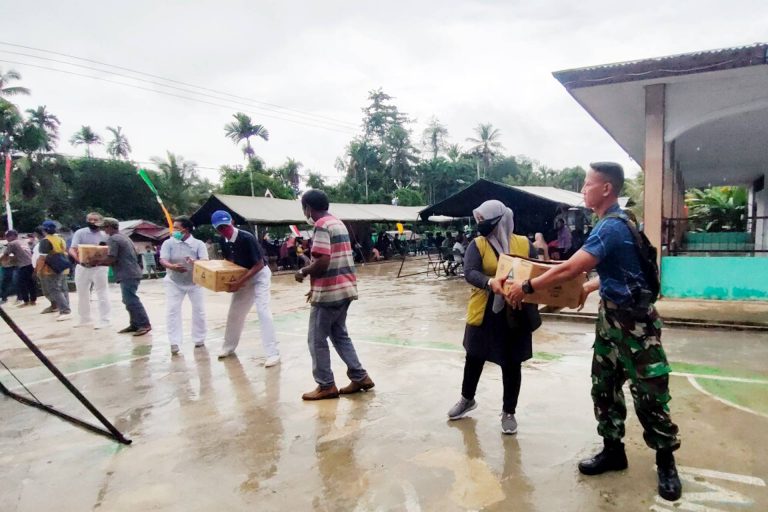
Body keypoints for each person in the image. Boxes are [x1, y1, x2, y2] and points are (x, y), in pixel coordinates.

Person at [506, 162, 681, 502]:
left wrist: (526, 286)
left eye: (588, 184)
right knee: (604, 387)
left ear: (606, 189)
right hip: (610, 319)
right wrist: (588, 288)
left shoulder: (612, 226)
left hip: (636, 325)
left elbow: (572, 267)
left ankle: (666, 462)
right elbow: (619, 270)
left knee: (649, 393)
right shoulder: (618, 222)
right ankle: (613, 451)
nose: (583, 190)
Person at [446, 200, 540, 435]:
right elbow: (470, 272)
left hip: (514, 311)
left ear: (501, 220)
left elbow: (537, 269)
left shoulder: (523, 243)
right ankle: (467, 398)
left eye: (484, 221)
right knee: (474, 356)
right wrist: (490, 282)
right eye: (478, 220)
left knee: (512, 362)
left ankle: (509, 412)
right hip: (485, 311)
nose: (481, 225)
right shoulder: (478, 245)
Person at [294, 189, 374, 400]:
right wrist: (315, 286)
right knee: (339, 334)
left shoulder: (321, 225)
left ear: (308, 208)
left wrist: (303, 271)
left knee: (316, 339)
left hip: (330, 293)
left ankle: (326, 385)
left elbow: (323, 261)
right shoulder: (338, 223)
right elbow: (335, 260)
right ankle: (360, 376)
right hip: (345, 288)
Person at [211, 210, 280, 367]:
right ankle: (228, 347)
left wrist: (239, 282)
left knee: (263, 311)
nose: (224, 230)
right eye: (220, 228)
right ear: (216, 229)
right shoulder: (222, 240)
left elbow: (259, 264)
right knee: (235, 312)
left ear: (232, 222)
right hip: (243, 276)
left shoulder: (246, 237)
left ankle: (272, 353)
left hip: (259, 275)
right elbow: (229, 261)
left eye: (226, 226)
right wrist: (228, 281)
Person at [92, 218, 151, 336]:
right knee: (128, 299)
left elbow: (111, 258)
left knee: (130, 299)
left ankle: (144, 324)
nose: (103, 230)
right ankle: (135, 324)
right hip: (132, 272)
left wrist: (95, 262)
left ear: (110, 227)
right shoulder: (124, 237)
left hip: (127, 273)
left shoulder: (113, 239)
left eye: (104, 227)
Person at [158, 216, 208, 355]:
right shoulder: (169, 243)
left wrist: (194, 262)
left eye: (176, 228)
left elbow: (205, 261)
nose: (173, 230)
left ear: (185, 229)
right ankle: (174, 342)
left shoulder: (198, 244)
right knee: (172, 310)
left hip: (195, 282)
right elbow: (163, 259)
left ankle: (199, 339)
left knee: (199, 310)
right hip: (174, 281)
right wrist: (172, 266)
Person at [69, 212, 111, 329]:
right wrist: (78, 259)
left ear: (101, 221)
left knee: (102, 292)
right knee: (82, 293)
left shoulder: (105, 234)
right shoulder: (80, 233)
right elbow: (72, 249)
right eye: (90, 219)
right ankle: (84, 319)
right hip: (82, 267)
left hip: (100, 267)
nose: (92, 222)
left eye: (95, 220)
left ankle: (105, 319)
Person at [35, 220, 72, 320]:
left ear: (44, 230)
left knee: (54, 289)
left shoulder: (45, 241)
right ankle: (66, 308)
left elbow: (42, 258)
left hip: (51, 269)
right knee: (63, 289)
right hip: (63, 266)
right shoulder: (60, 238)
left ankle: (65, 310)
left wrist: (38, 270)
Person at [2, 230, 35, 307]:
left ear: (13, 236)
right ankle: (33, 301)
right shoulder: (23, 242)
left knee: (21, 284)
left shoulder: (12, 243)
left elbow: (5, 255)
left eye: (8, 236)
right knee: (30, 283)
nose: (6, 238)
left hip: (23, 266)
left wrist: (2, 261)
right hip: (31, 264)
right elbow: (20, 254)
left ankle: (26, 301)